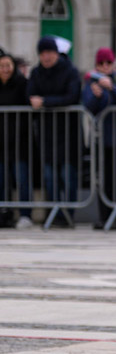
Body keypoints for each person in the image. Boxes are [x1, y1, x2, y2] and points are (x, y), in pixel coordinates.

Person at [28, 36, 82, 220]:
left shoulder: (70, 71)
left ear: (56, 53)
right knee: (50, 177)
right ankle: (54, 214)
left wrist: (45, 102)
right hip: (46, 133)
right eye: (43, 53)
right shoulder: (36, 73)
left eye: (50, 52)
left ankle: (68, 214)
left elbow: (72, 97)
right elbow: (30, 96)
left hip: (68, 133)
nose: (46, 57)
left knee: (67, 176)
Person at [81, 47, 116, 230]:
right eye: (101, 64)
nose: (105, 67)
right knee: (102, 179)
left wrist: (112, 88)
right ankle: (104, 217)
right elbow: (88, 107)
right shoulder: (90, 82)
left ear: (113, 64)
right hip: (101, 139)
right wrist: (98, 96)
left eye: (108, 63)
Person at [0, 53, 31, 229]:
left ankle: (25, 214)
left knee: (21, 178)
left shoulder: (21, 84)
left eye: (8, 65)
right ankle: (4, 213)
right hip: (1, 142)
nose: (5, 69)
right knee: (1, 180)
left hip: (19, 141)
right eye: (2, 66)